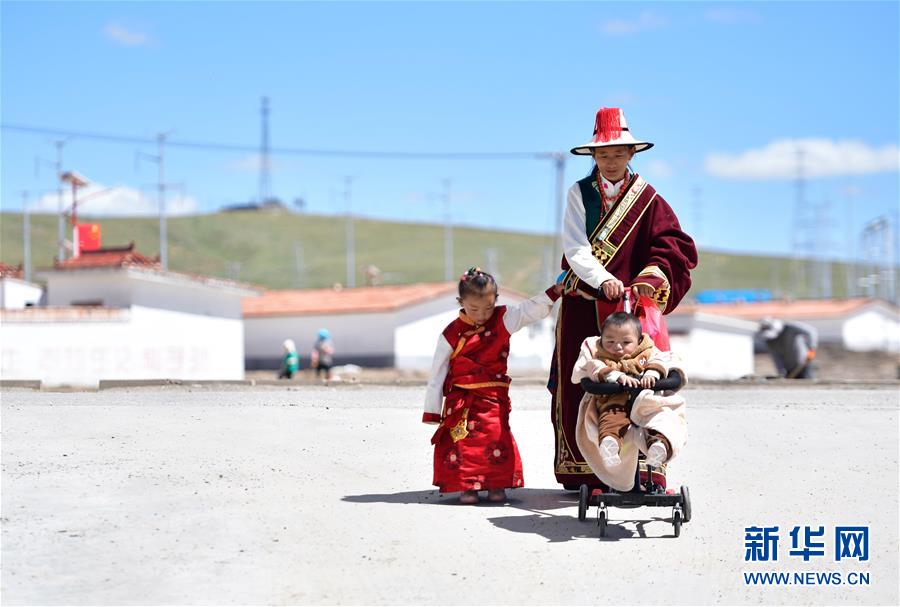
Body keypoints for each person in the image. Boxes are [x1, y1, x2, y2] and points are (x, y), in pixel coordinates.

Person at [550, 107, 698, 489]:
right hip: (585, 302)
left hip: (634, 311)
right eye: (603, 154)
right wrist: (603, 280)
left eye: (618, 153)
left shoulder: (648, 198)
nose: (611, 161)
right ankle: (585, 472)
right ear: (593, 156)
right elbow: (576, 248)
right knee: (585, 381)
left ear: (632, 153)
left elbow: (671, 243)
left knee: (642, 384)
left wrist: (652, 274)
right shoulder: (578, 194)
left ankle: (642, 469)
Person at [423, 267, 562, 504]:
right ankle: (468, 488)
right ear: (461, 302)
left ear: (496, 300)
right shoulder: (451, 333)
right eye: (474, 309)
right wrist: (432, 410)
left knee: (496, 439)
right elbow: (437, 373)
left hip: (493, 399)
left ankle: (497, 485)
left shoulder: (503, 319)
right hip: (462, 401)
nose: (482, 315)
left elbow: (528, 310)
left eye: (488, 308)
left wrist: (554, 293)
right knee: (464, 443)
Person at [571, 312, 687, 491]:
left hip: (646, 401)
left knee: (662, 418)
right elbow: (593, 368)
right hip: (613, 400)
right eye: (610, 341)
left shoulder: (647, 351)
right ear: (602, 339)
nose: (617, 347)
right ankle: (609, 443)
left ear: (638, 340)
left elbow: (661, 360)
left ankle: (659, 445)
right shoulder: (598, 354)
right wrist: (616, 377)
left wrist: (652, 373)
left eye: (626, 342)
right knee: (611, 419)